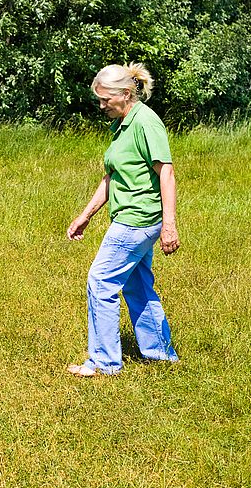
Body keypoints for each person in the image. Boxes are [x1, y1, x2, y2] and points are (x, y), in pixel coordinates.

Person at [66, 62, 180, 377]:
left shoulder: (145, 123)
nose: (101, 105)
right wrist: (86, 215)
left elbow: (166, 173)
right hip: (131, 217)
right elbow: (113, 175)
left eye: (106, 99)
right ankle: (161, 354)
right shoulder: (123, 123)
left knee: (100, 281)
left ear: (126, 94)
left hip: (137, 219)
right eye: (99, 100)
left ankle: (104, 362)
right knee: (137, 286)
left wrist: (169, 224)